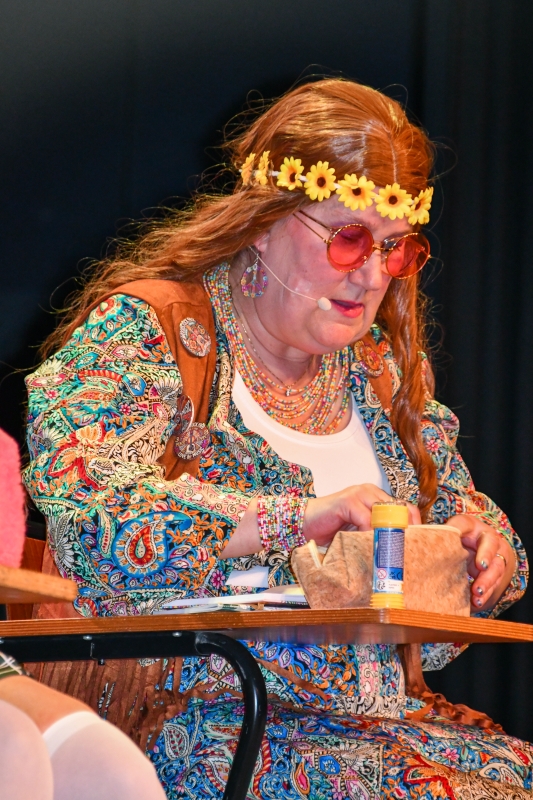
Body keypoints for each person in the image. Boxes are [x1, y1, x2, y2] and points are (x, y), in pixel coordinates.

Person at [24, 79, 531, 798]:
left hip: (383, 728)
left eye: (395, 249)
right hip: (199, 725)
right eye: (348, 238)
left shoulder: (379, 373)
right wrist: (295, 519)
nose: (371, 274)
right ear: (263, 222)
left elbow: (458, 522)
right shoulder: (147, 332)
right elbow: (92, 521)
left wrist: (482, 552)